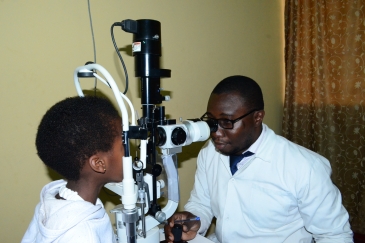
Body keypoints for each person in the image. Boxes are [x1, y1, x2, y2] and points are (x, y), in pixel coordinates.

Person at [164, 76, 353, 243]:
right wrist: (192, 220)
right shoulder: (210, 153)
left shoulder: (305, 167)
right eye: (212, 122)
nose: (216, 133)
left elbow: (335, 236)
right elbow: (202, 204)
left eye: (227, 122)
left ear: (257, 117)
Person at [22, 96, 124, 243]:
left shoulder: (53, 205)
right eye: (123, 145)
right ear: (99, 164)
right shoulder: (82, 236)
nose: (130, 149)